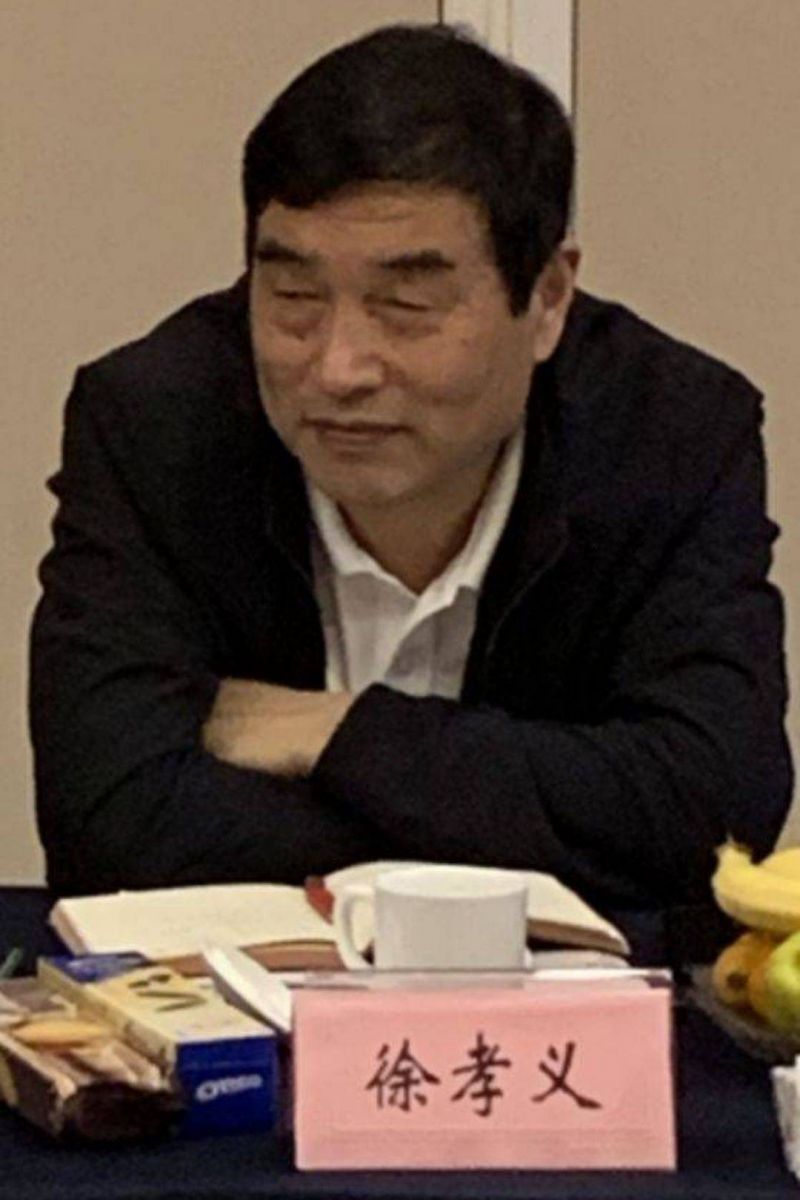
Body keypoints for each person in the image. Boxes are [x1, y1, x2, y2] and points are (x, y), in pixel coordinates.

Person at [30, 24, 791, 929]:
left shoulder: (670, 435)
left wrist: (341, 733)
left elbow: (712, 815)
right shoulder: (155, 424)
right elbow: (109, 824)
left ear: (549, 298)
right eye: (294, 298)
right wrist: (541, 825)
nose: (339, 367)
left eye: (407, 304)